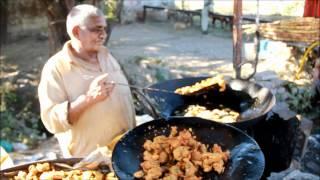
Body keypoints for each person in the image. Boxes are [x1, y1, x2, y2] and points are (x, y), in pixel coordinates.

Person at [38, 4, 135, 158]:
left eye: (104, 28)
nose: (103, 34)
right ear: (77, 32)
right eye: (97, 29)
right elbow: (51, 121)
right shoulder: (56, 68)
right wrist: (89, 99)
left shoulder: (107, 56)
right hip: (91, 163)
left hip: (126, 152)